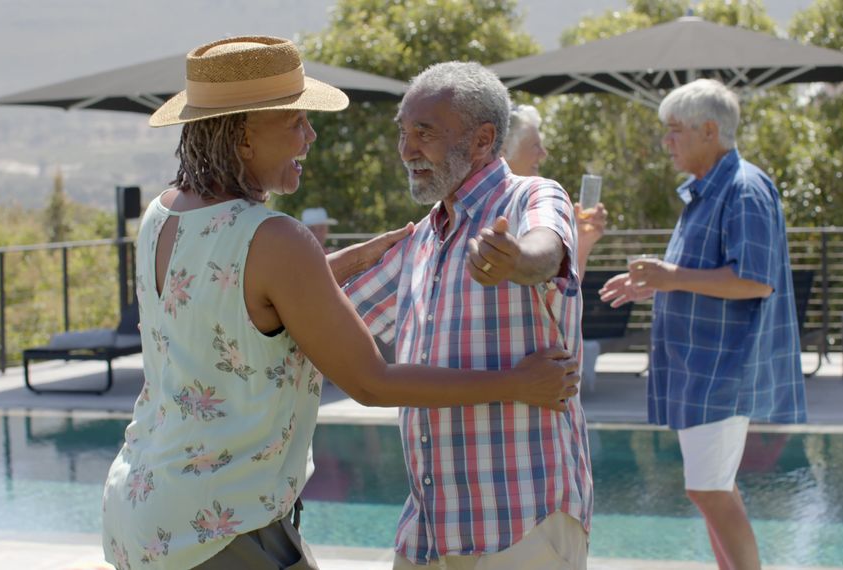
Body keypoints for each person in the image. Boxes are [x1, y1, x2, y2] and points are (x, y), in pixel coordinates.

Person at [100, 36, 580, 570]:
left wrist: (515, 259)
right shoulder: (278, 239)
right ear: (241, 138)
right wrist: (517, 384)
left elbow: (229, 303)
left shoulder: (162, 214)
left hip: (143, 509)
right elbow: (371, 381)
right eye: (295, 123)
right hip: (220, 526)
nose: (310, 137)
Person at [343, 62, 593, 569]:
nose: (407, 149)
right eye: (404, 132)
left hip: (522, 522)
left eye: (424, 132)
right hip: (430, 530)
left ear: (482, 140)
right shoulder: (421, 238)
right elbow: (332, 317)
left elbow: (547, 247)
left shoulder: (532, 196)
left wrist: (517, 260)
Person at [599, 78, 807, 570]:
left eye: (674, 132)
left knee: (709, 490)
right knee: (714, 488)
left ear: (709, 131)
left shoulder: (743, 190)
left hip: (723, 369)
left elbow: (755, 281)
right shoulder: (708, 191)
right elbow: (704, 277)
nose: (666, 143)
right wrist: (653, 285)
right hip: (703, 369)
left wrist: (671, 276)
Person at [502, 104, 607, 276]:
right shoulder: (478, 207)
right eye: (535, 146)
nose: (543, 153)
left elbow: (561, 295)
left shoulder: (536, 204)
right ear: (504, 150)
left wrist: (582, 241)